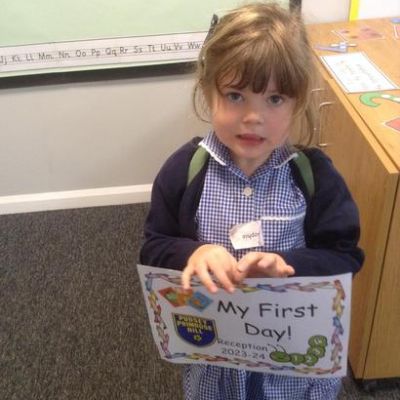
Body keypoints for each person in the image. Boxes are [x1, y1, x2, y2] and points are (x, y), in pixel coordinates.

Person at [140, 2, 364, 399]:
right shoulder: (185, 171)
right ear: (208, 92)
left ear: (297, 102)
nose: (253, 117)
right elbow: (154, 247)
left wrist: (289, 266)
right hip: (217, 356)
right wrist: (194, 253)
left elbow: (344, 255)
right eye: (235, 95)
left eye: (274, 99)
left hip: (291, 360)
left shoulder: (314, 176)